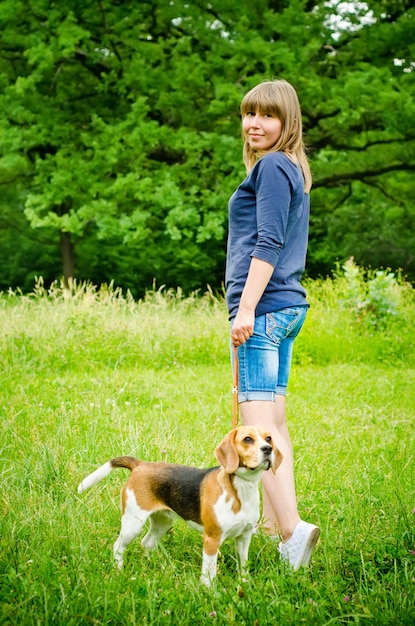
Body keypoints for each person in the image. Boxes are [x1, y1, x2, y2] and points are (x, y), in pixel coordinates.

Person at [225, 79, 320, 570]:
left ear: (288, 123)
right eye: (249, 114)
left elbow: (267, 242)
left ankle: (291, 532)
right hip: (286, 309)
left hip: (263, 311)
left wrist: (244, 309)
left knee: (257, 427)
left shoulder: (273, 166)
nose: (254, 123)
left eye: (267, 115)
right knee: (274, 424)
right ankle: (273, 523)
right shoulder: (290, 169)